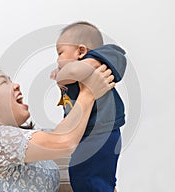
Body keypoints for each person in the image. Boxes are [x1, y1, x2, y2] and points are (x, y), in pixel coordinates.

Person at [0, 58, 115, 192]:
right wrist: (89, 92)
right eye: (3, 82)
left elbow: (64, 133)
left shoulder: (22, 140)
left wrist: (70, 90)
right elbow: (64, 142)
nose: (16, 85)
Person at [51, 21, 127, 192]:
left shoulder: (105, 55)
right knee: (81, 175)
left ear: (81, 51)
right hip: (86, 133)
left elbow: (73, 73)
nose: (57, 60)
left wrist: (61, 74)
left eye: (60, 53)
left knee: (88, 178)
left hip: (100, 132)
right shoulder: (78, 66)